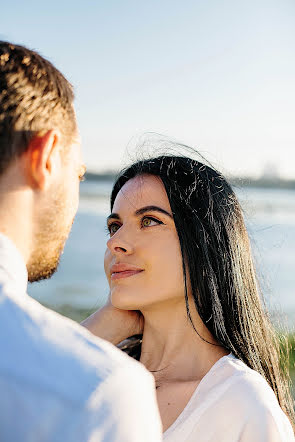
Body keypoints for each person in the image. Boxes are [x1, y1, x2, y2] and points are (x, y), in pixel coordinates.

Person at [0, 41, 162, 442]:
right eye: (79, 174)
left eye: (150, 222)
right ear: (47, 157)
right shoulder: (101, 395)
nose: (117, 243)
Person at [83, 153, 295, 441]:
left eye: (149, 221)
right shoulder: (93, 377)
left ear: (205, 243)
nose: (114, 242)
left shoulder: (243, 406)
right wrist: (97, 330)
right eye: (114, 225)